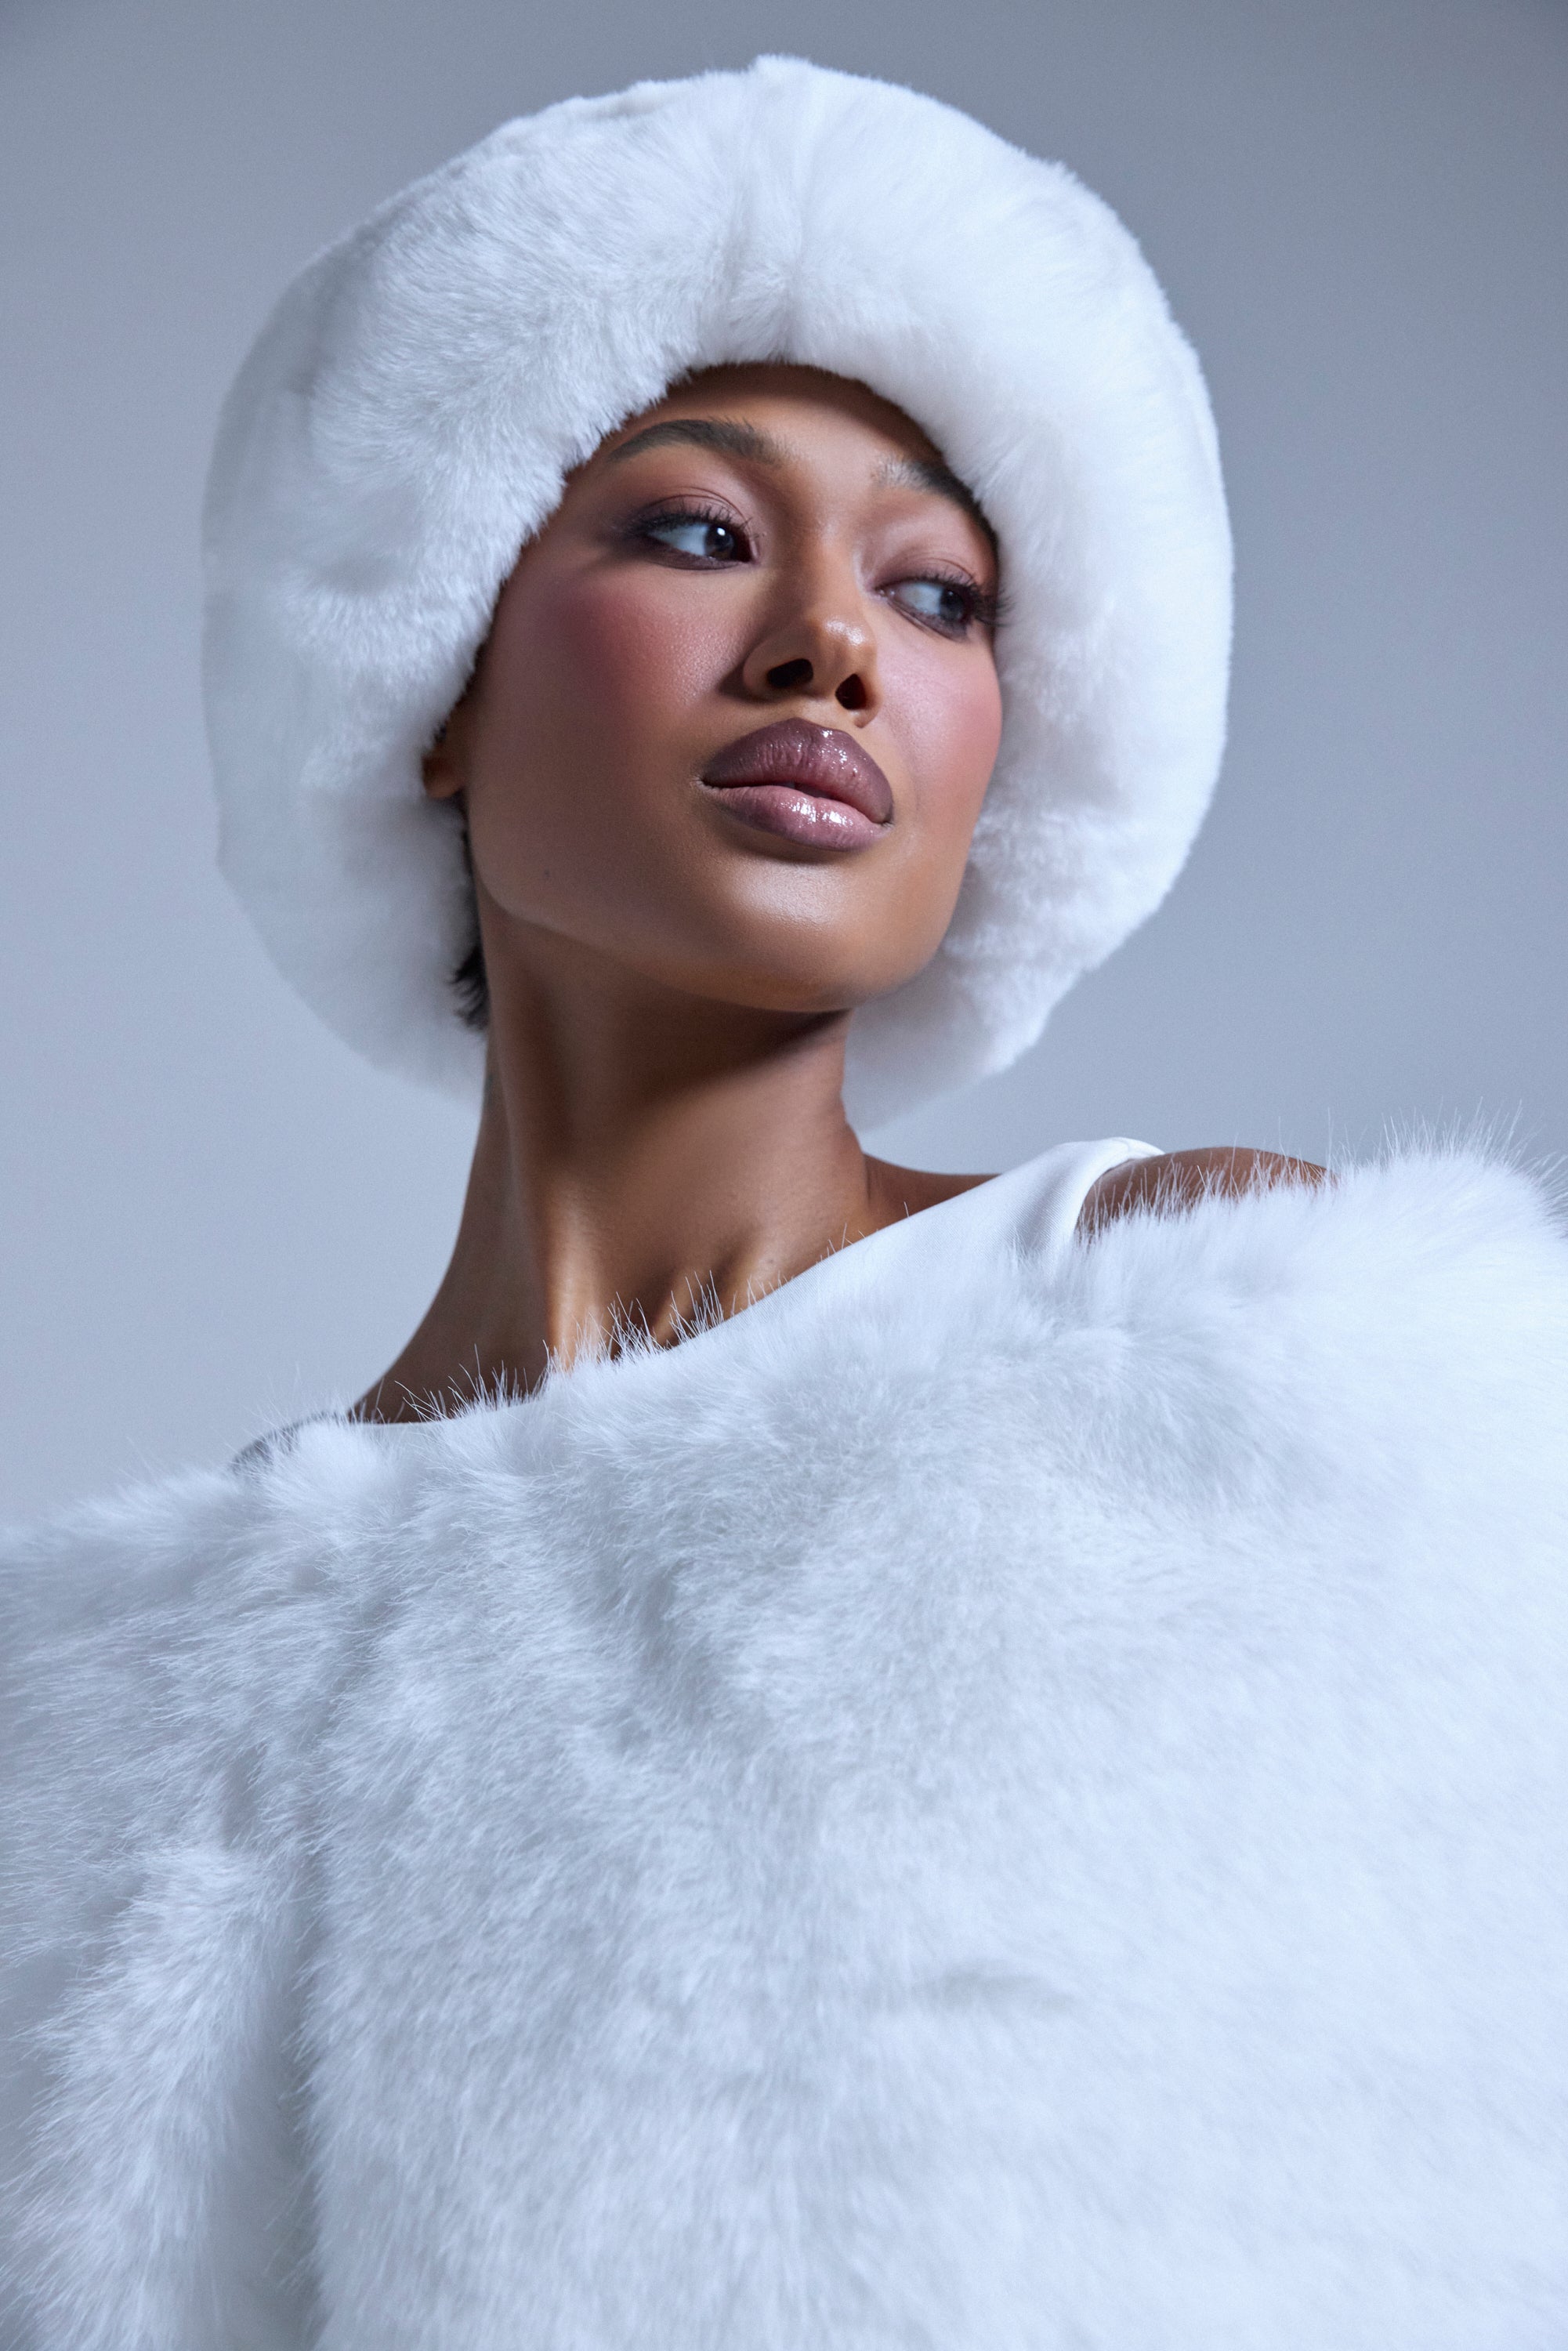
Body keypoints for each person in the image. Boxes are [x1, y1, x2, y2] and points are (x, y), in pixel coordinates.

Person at [2, 57, 1564, 2351]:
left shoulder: (1208, 1358)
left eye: (935, 593)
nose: (833, 643)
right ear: (434, 661)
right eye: (698, 534)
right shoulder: (133, 1692)